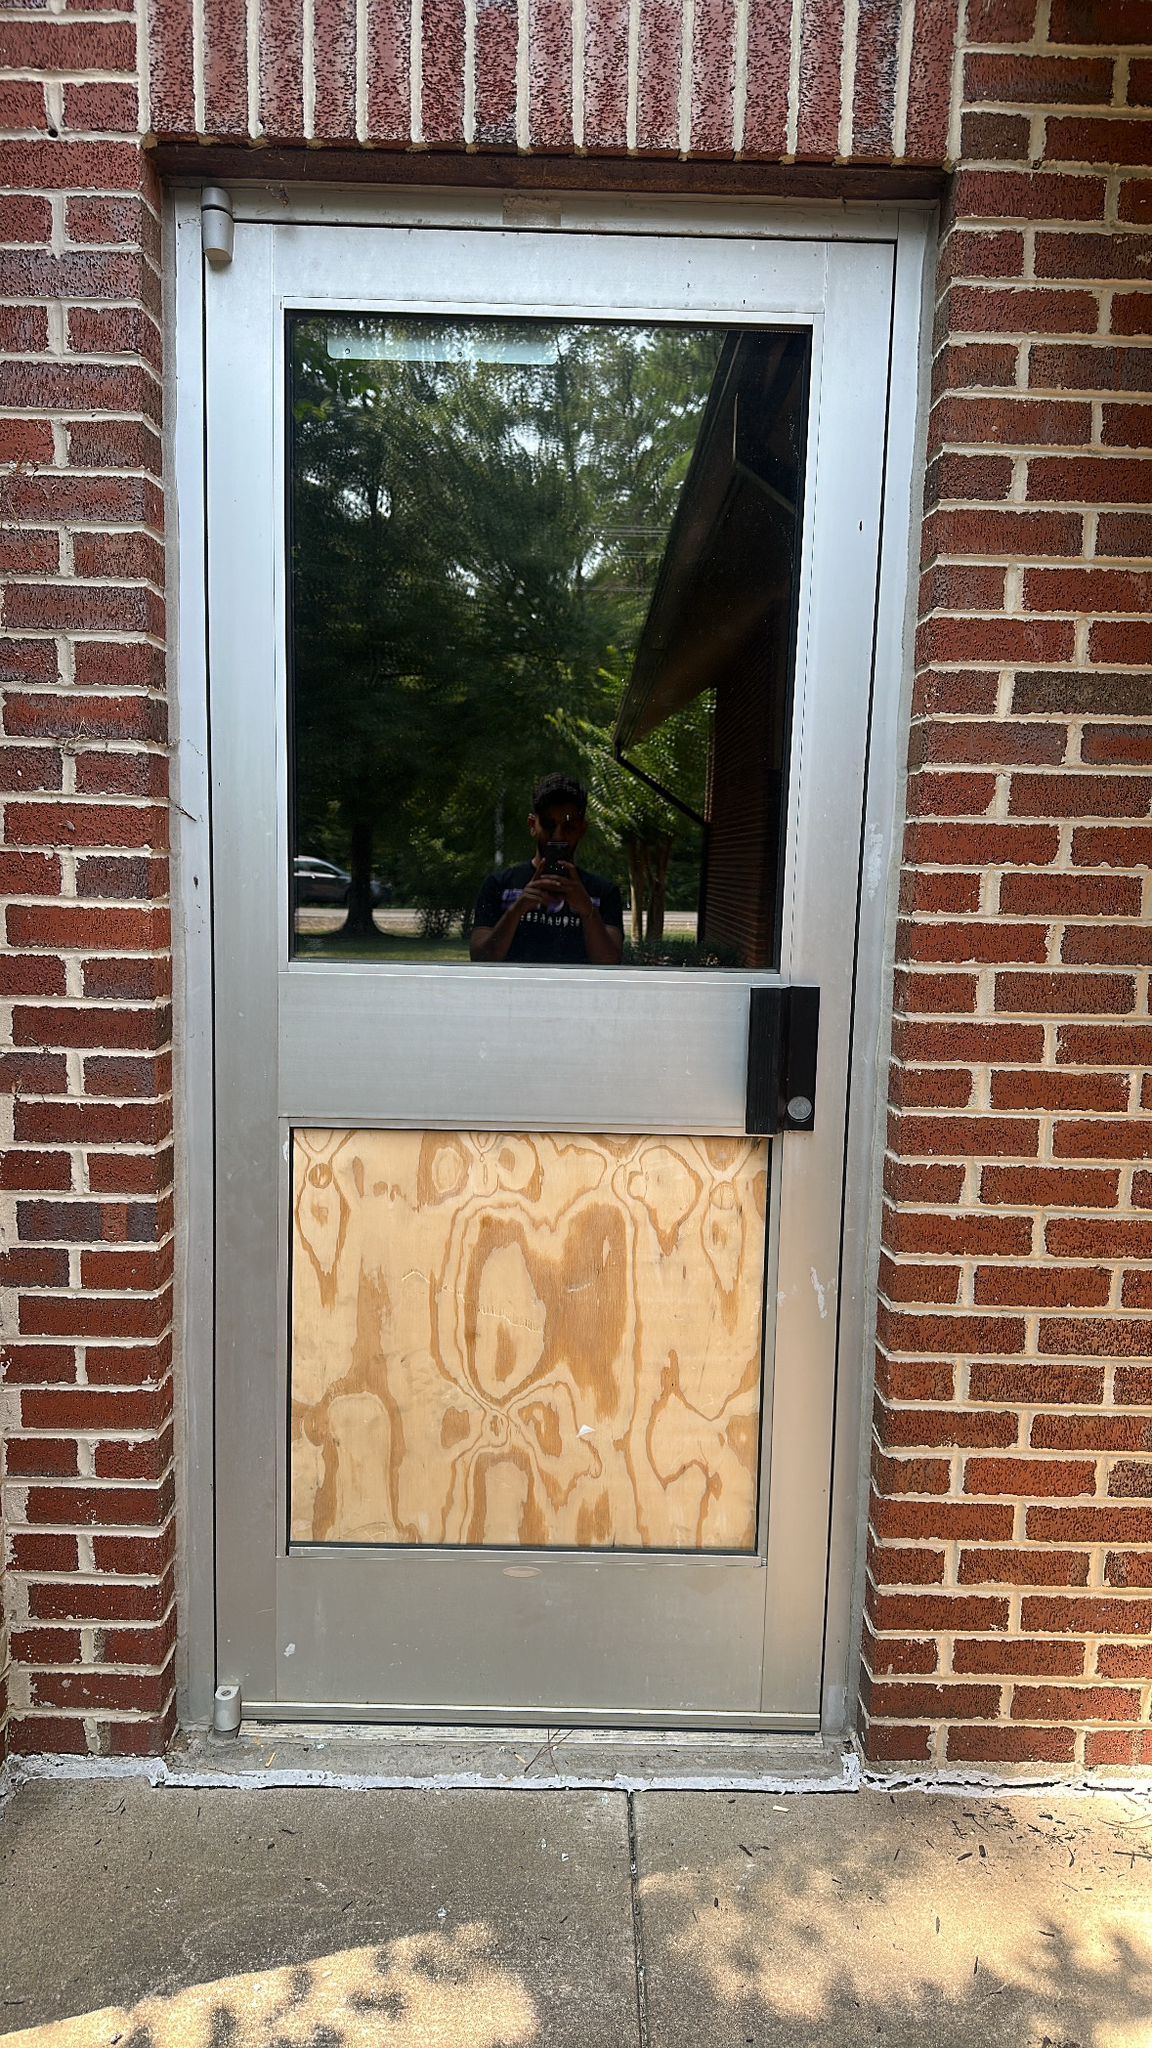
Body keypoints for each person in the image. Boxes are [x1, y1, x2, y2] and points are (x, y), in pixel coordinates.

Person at [470, 773, 624, 965]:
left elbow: (610, 963)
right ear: (532, 825)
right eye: (549, 825)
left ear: (582, 829)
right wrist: (517, 909)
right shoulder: (498, 886)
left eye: (568, 827)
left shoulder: (604, 892)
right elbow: (480, 959)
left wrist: (588, 911)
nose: (558, 836)